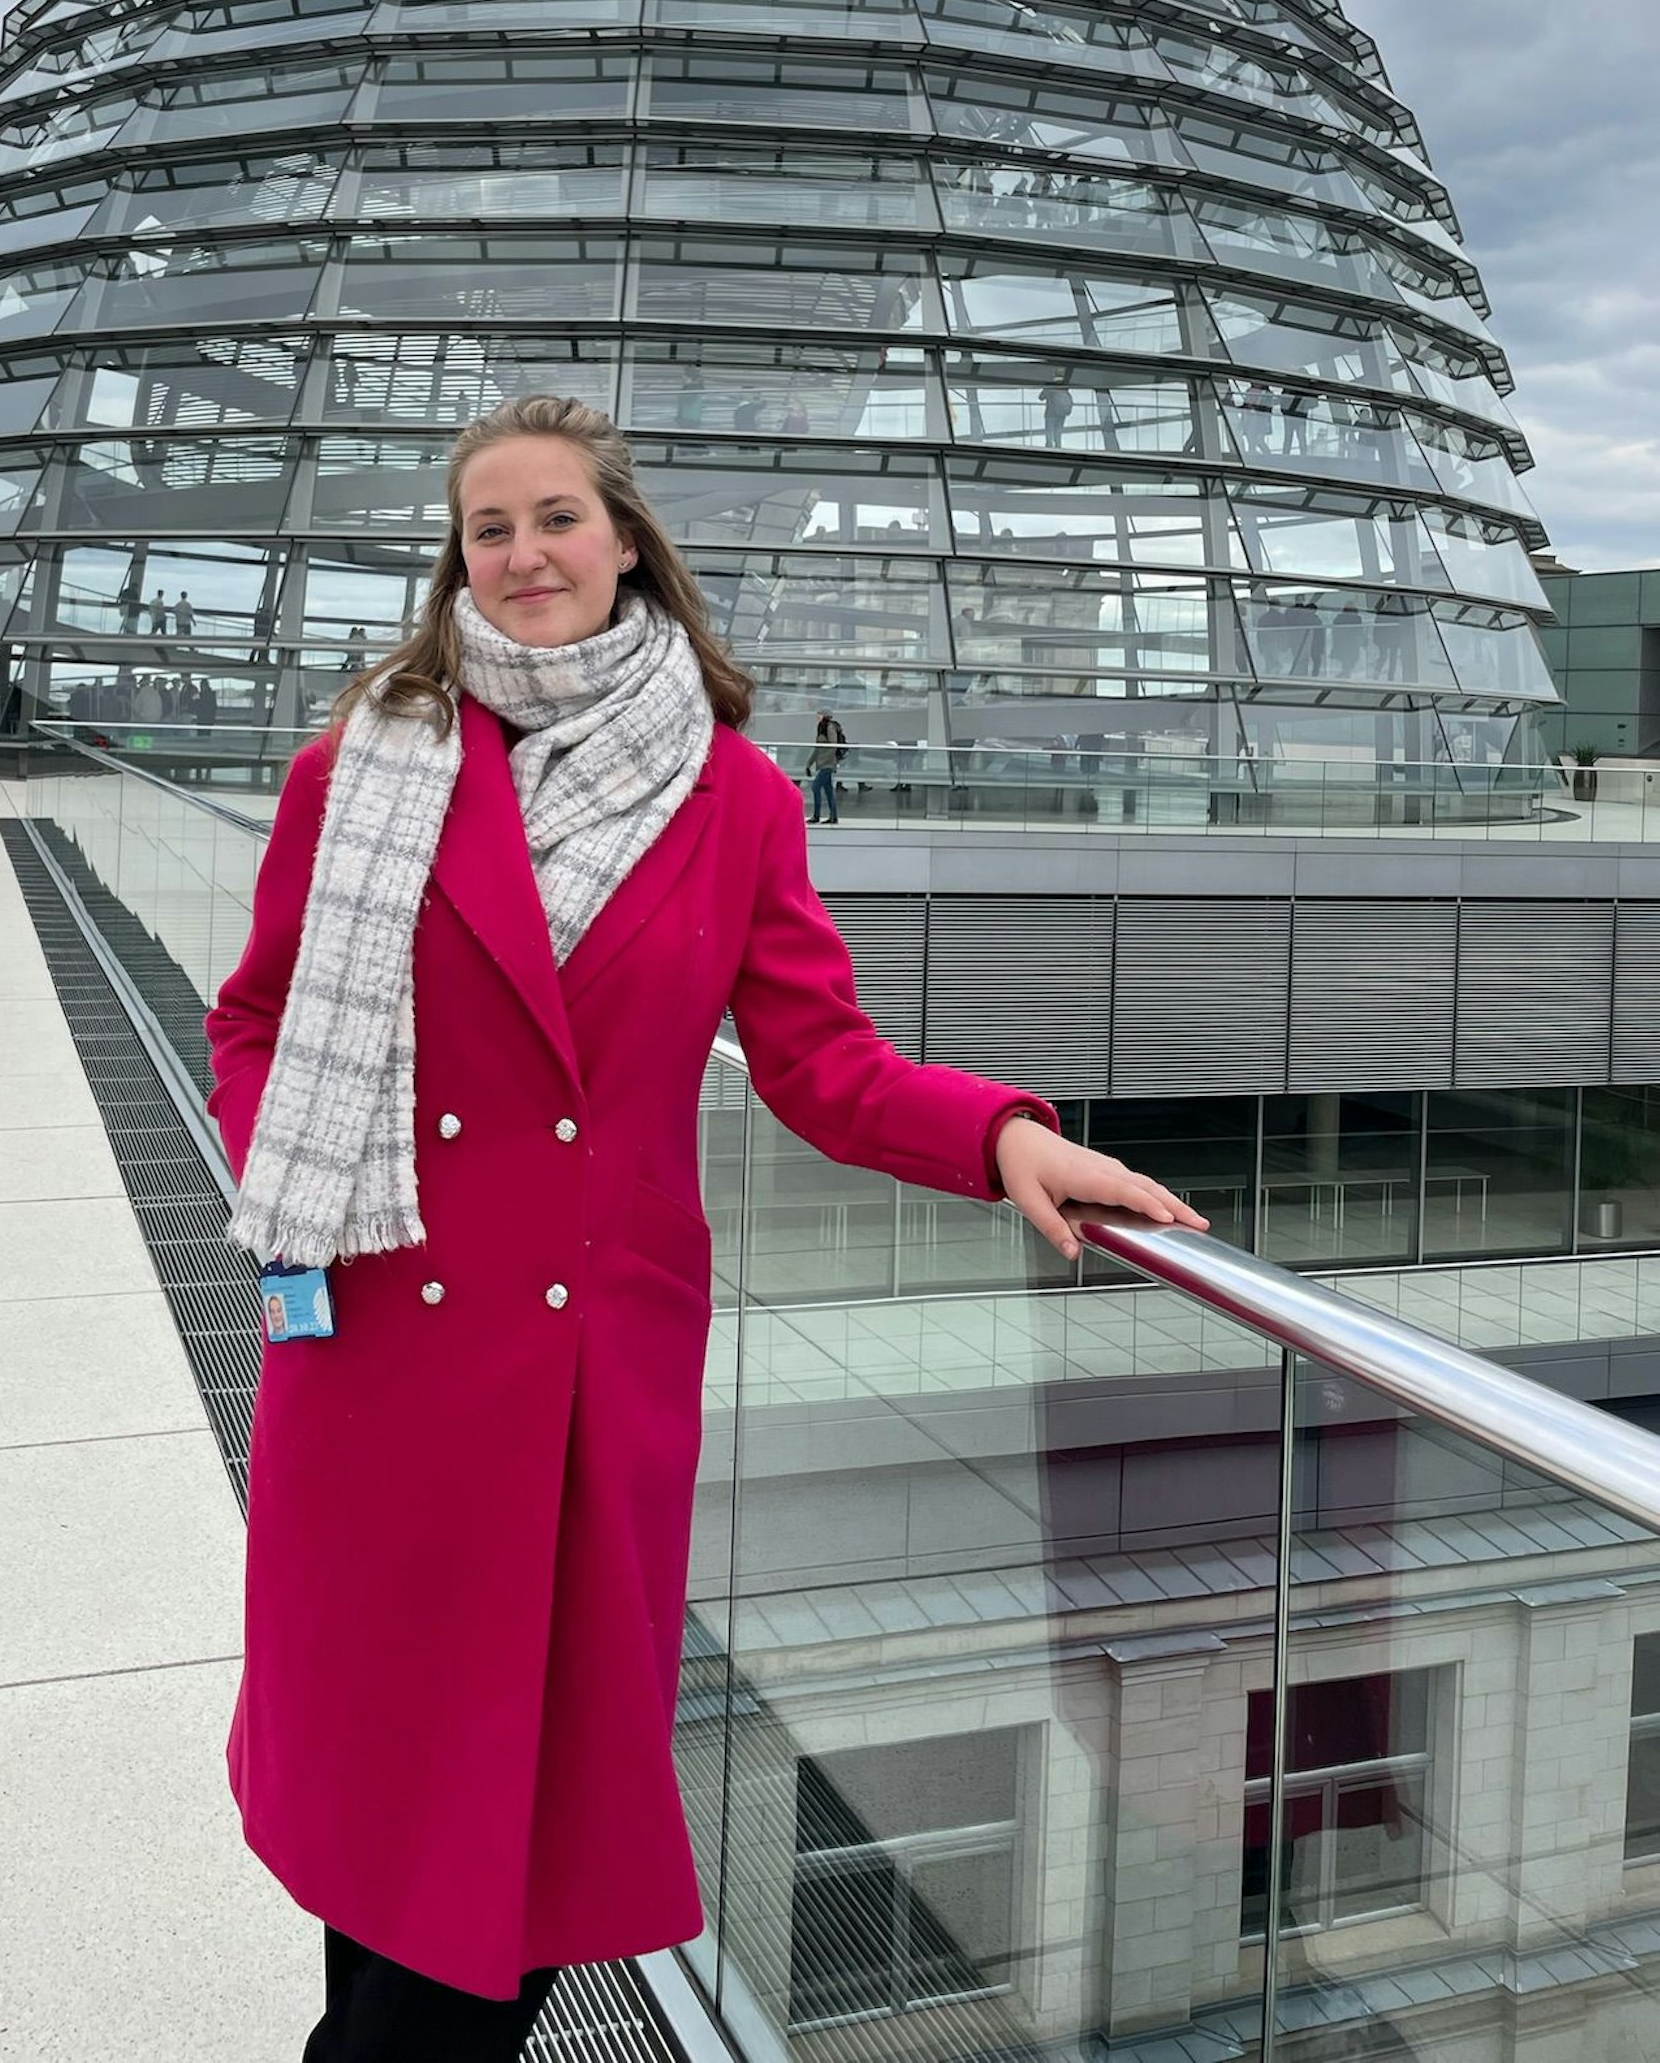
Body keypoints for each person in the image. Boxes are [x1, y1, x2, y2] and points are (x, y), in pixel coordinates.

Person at [207, 392, 1206, 2060]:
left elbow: (822, 1063)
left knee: (502, 1878)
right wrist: (297, 1173)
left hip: (584, 1393)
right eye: (488, 529)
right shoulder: (362, 763)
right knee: (382, 1832)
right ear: (457, 560)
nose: (523, 555)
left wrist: (1003, 1133)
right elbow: (256, 1018)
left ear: (626, 539)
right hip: (374, 1349)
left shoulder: (734, 797)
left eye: (555, 520)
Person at [805, 707, 848, 825]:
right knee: (828, 790)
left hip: (828, 764)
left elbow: (833, 745)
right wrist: (809, 764)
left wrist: (825, 760)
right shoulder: (821, 728)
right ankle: (833, 817)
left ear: (825, 715)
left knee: (816, 787)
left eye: (819, 715)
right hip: (823, 764)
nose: (817, 717)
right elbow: (817, 748)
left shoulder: (829, 727)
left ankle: (816, 816)